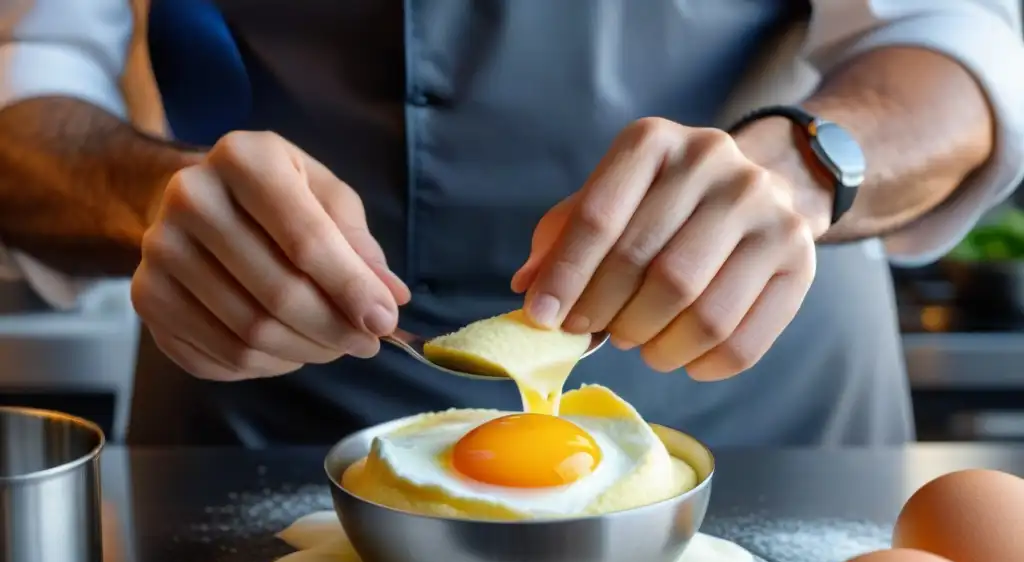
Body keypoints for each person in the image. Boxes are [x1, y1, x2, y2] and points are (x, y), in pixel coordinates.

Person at [0, 1, 1021, 448]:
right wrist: (147, 200)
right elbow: (25, 82)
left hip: (757, 422)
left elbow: (961, 45)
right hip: (268, 423)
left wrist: (808, 166)